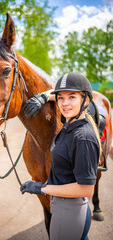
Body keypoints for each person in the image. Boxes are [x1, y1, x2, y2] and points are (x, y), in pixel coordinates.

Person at [21, 73, 101, 240]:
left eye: (72, 97)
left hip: (69, 213)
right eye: (60, 98)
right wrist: (44, 96)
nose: (65, 103)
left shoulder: (83, 136)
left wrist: (41, 188)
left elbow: (86, 188)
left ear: (85, 100)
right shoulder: (69, 123)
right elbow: (57, 98)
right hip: (62, 208)